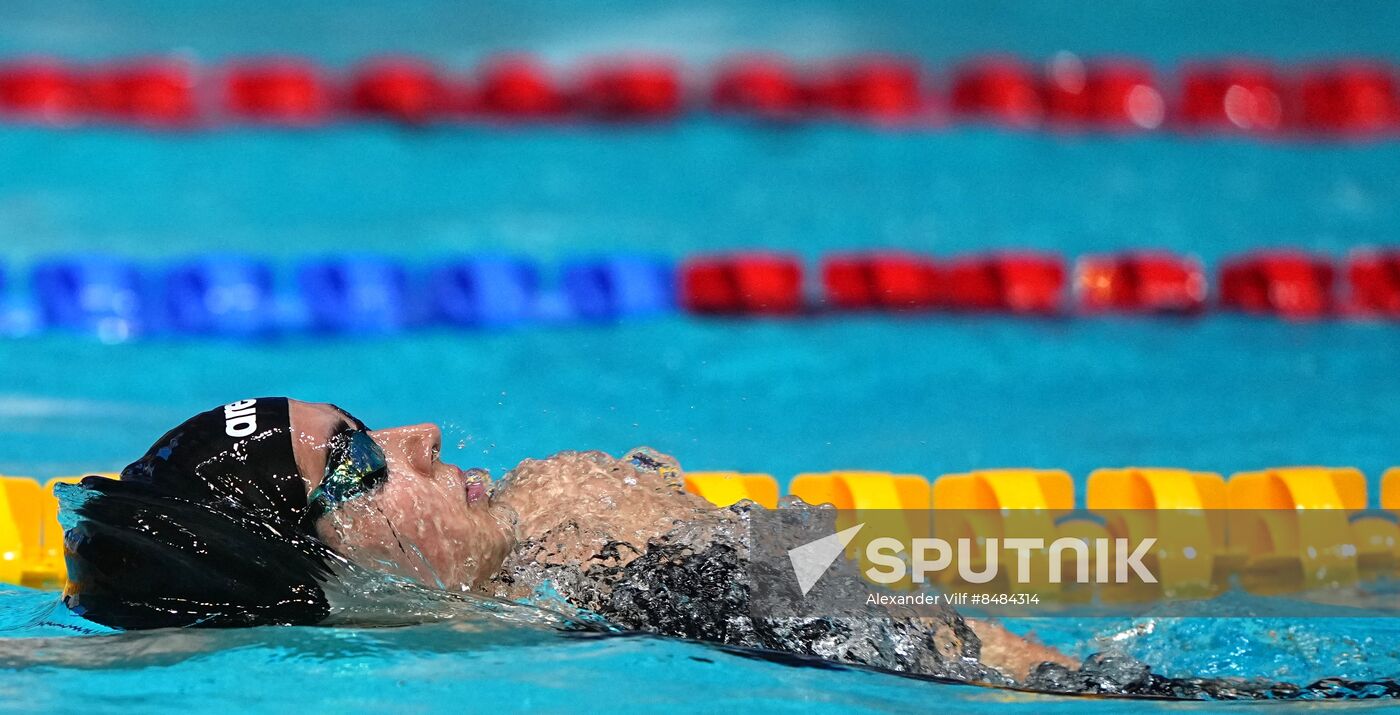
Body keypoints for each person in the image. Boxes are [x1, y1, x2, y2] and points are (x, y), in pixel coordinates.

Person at [58, 398, 1398, 701]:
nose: (420, 429)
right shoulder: (640, 582)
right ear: (321, 581)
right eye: (359, 465)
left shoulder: (603, 558)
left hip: (1068, 577)